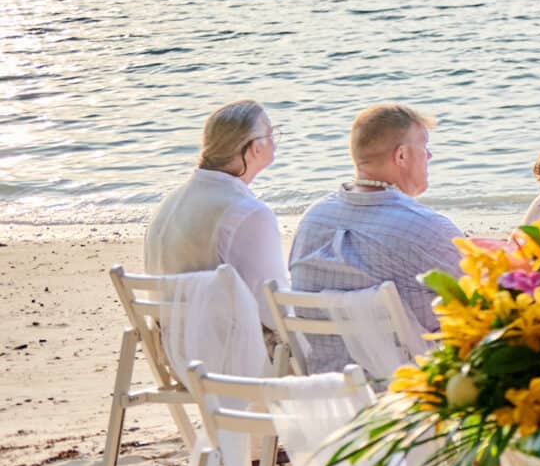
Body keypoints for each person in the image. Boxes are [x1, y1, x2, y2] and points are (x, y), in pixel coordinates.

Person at [288, 104, 462, 358]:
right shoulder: (425, 228)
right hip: (410, 386)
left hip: (327, 381)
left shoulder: (313, 219)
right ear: (401, 156)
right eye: (424, 147)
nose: (430, 156)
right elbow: (484, 295)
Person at [144, 101, 288, 295]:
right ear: (255, 148)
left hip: (167, 324)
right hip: (220, 325)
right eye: (271, 134)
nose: (275, 142)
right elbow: (272, 308)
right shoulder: (248, 213)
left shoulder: (168, 203)